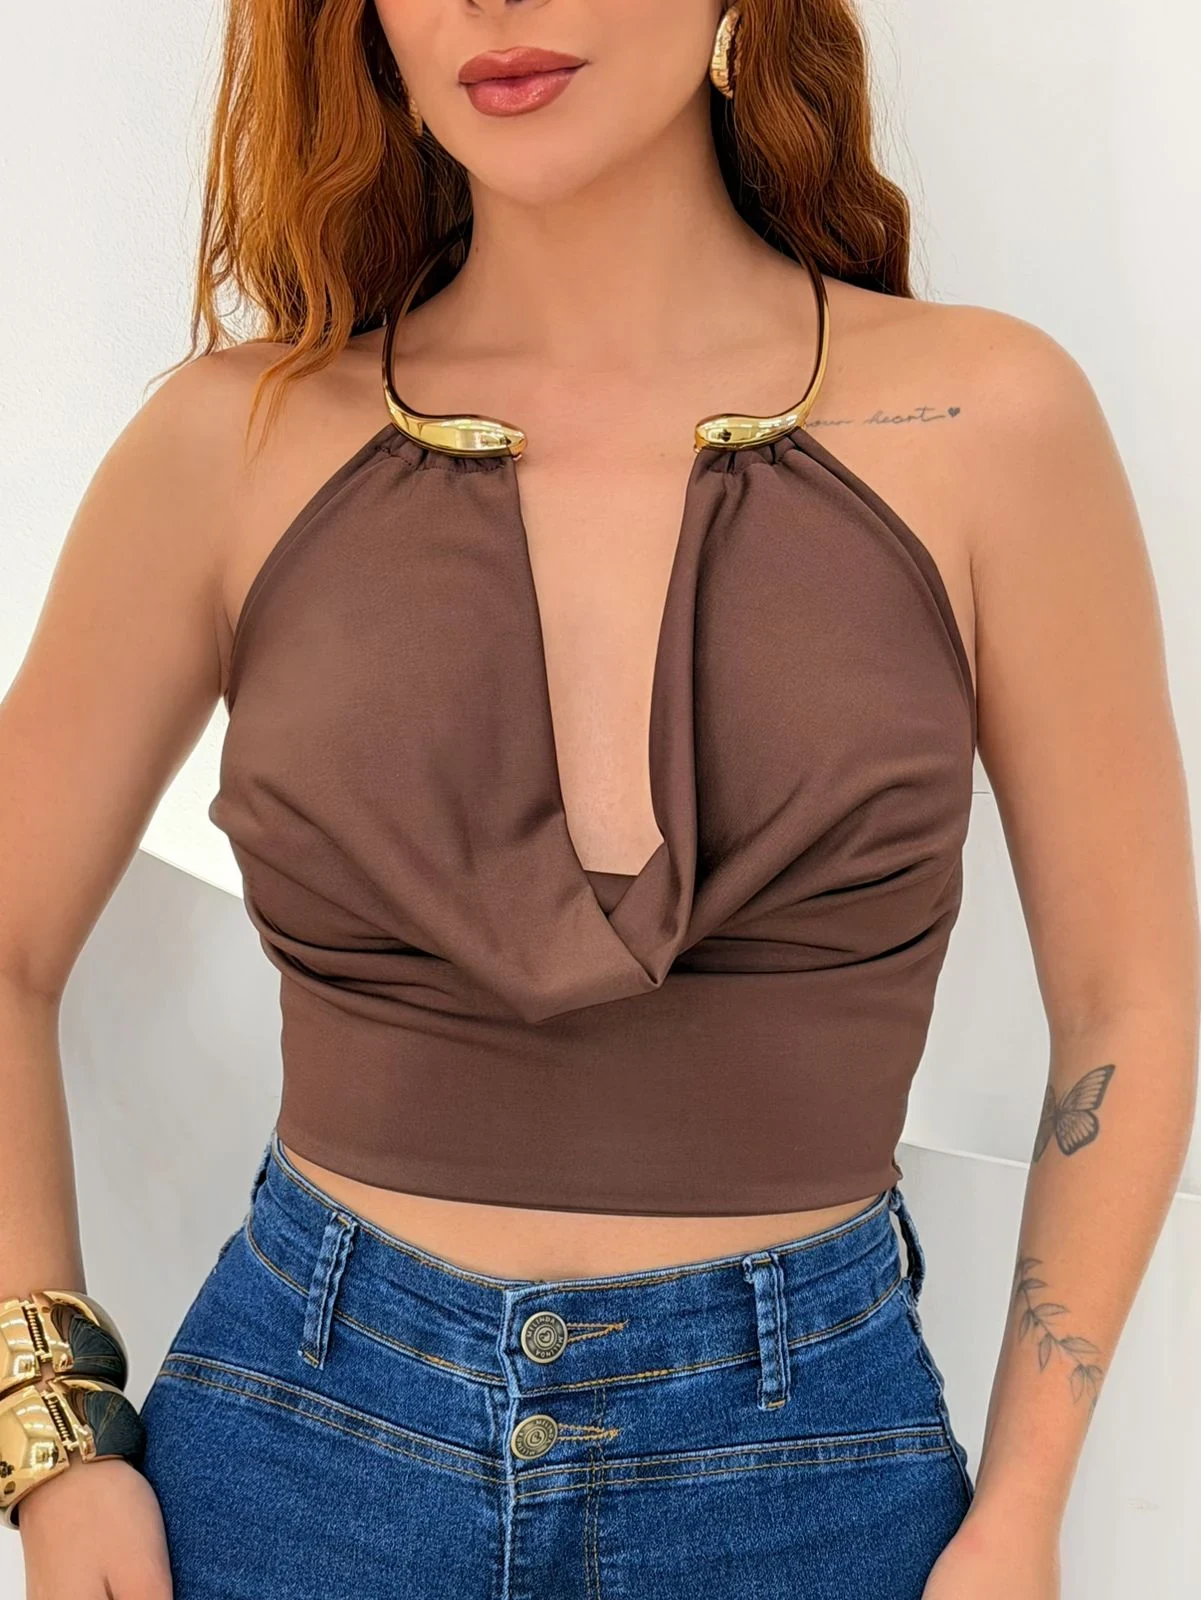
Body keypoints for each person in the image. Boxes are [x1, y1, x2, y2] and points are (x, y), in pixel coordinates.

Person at [2, 1, 1196, 1596]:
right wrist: (55, 1444)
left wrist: (1028, 1511)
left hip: (811, 1490)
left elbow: (1128, 997)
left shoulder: (989, 421)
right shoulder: (232, 440)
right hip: (291, 1470)